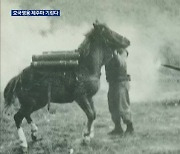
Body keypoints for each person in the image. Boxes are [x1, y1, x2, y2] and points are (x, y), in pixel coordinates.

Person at [105, 48, 134, 135]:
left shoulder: (121, 58)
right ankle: (118, 128)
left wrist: (114, 52)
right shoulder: (110, 58)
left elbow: (119, 62)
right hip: (113, 84)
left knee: (122, 106)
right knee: (113, 106)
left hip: (120, 84)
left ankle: (130, 127)